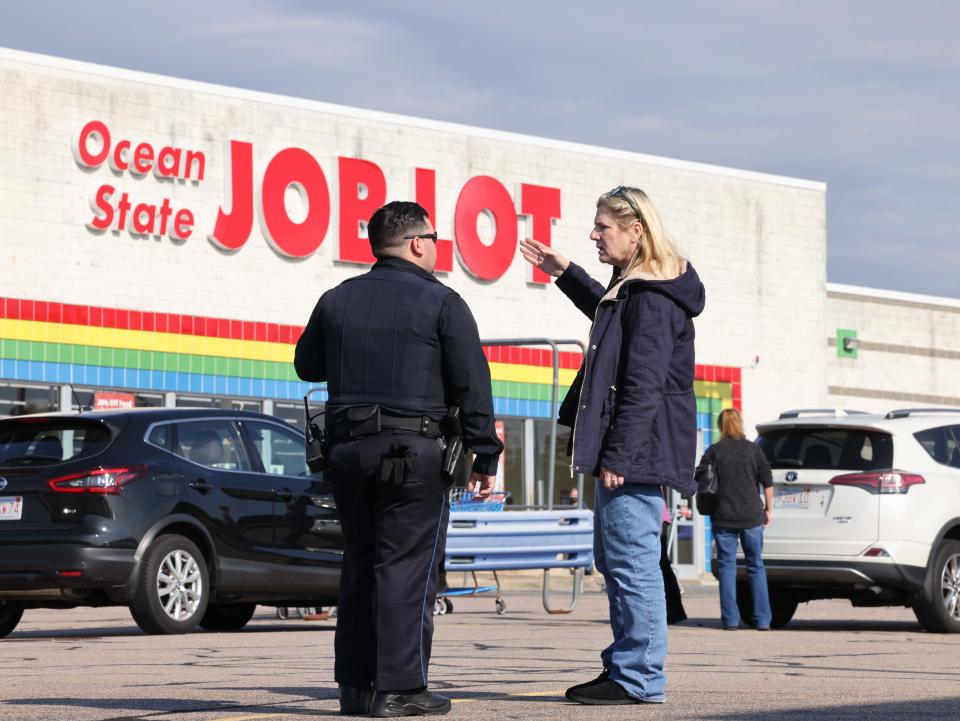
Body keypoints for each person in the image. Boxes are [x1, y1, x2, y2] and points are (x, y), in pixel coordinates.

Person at [295, 201, 503, 717]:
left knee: (360, 566)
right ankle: (400, 689)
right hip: (413, 455)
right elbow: (473, 383)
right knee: (407, 570)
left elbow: (306, 365)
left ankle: (355, 689)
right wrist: (485, 455)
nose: (435, 247)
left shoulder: (336, 299)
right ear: (417, 243)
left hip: (346, 452)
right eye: (433, 238)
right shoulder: (442, 301)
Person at [520, 185, 704, 705]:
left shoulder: (651, 296)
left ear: (636, 230)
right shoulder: (638, 289)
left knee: (631, 563)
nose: (594, 233)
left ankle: (638, 677)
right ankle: (627, 668)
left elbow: (643, 384)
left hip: (637, 454)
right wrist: (566, 272)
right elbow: (607, 315)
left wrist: (619, 456)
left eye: (603, 226)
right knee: (618, 559)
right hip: (633, 451)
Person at [696, 408, 774, 630]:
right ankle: (763, 620)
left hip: (723, 517)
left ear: (721, 426)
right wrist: (769, 509)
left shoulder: (714, 451)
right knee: (756, 566)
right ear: (740, 423)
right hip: (751, 516)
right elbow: (767, 481)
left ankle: (730, 620)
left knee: (727, 567)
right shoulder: (753, 450)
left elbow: (699, 476)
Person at [660, 500, 687, 625]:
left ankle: (673, 612)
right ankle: (674, 612)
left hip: (655, 516)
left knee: (661, 566)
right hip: (660, 516)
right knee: (663, 566)